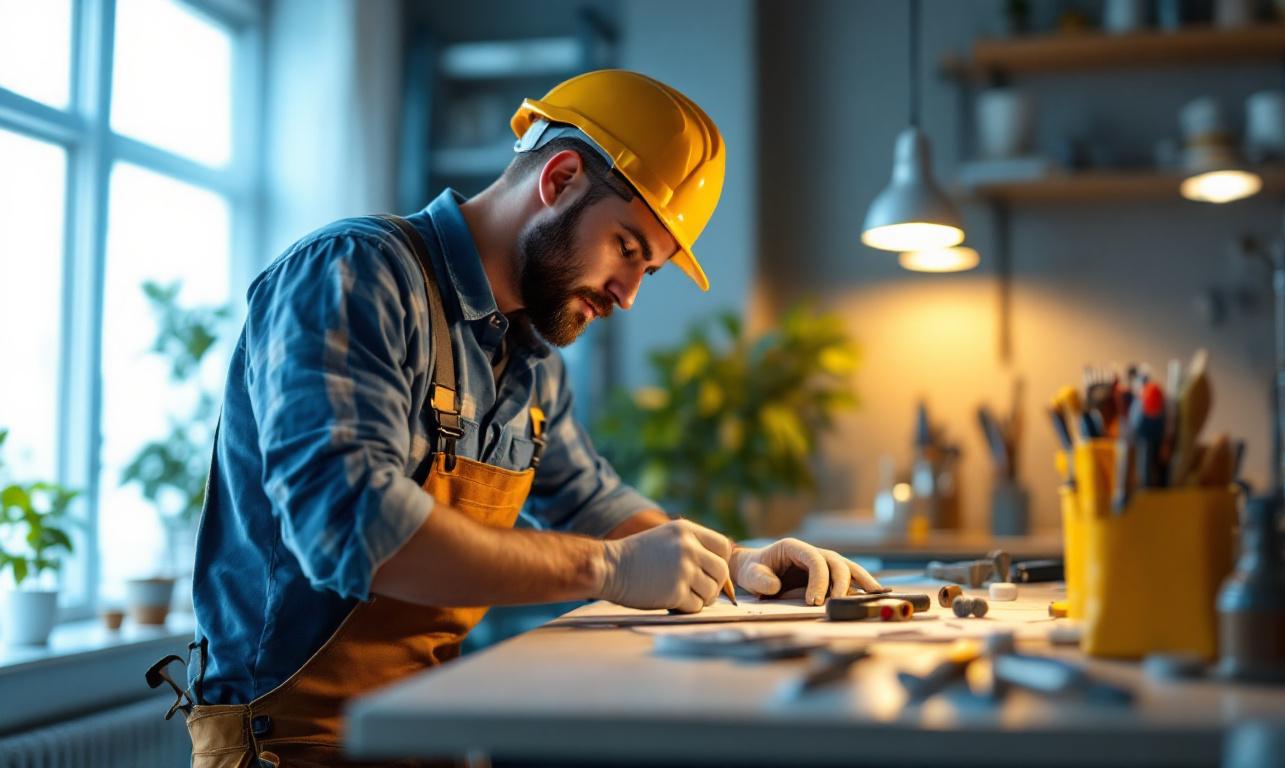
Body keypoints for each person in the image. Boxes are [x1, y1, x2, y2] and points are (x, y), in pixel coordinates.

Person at [168, 70, 880, 767]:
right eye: (628, 249)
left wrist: (737, 562)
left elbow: (591, 502)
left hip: (421, 724)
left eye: (649, 269)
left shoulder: (532, 360)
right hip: (290, 742)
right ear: (560, 178)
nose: (628, 293)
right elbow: (351, 526)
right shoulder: (354, 273)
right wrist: (608, 569)